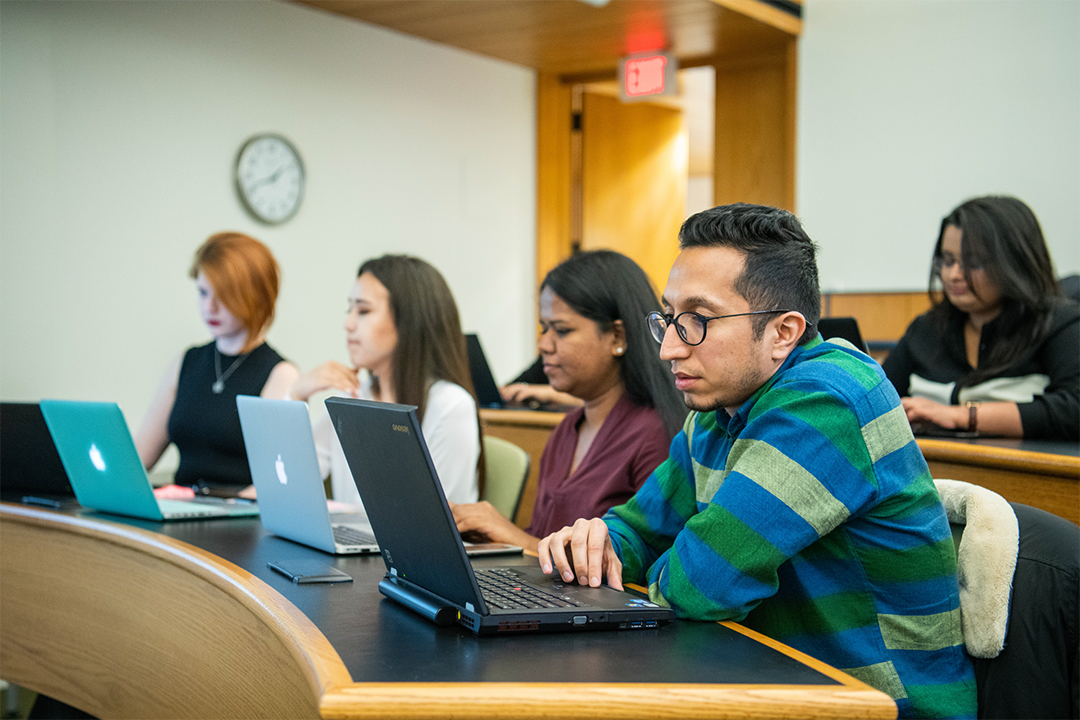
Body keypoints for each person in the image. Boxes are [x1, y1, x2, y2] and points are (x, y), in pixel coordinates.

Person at [538, 204, 976, 720]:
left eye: (698, 321)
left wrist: (654, 560)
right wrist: (595, 543)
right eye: (670, 318)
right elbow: (637, 530)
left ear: (784, 332)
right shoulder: (717, 408)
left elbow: (700, 587)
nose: (669, 349)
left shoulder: (827, 401)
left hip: (880, 704)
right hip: (773, 685)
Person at [452, 251, 686, 552]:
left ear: (617, 336)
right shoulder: (567, 429)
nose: (544, 345)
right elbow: (541, 540)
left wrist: (510, 535)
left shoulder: (654, 434)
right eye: (543, 329)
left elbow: (637, 571)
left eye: (561, 330)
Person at [288, 254, 481, 508]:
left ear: (409, 321)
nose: (348, 324)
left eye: (364, 310)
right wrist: (296, 395)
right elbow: (289, 481)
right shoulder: (355, 396)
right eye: (350, 310)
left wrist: (335, 512)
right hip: (355, 544)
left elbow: (430, 525)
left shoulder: (450, 406)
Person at [883, 196, 1080, 440]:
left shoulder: (1059, 324)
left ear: (1014, 264)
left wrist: (960, 416)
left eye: (972, 262)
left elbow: (1073, 409)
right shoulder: (926, 329)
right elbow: (880, 397)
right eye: (948, 260)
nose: (954, 274)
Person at [135, 232, 298, 492]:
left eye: (222, 295)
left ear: (255, 295)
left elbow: (274, 485)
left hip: (239, 523)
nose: (209, 307)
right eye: (202, 292)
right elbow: (138, 458)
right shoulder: (187, 361)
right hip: (178, 512)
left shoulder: (280, 375)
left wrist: (194, 497)